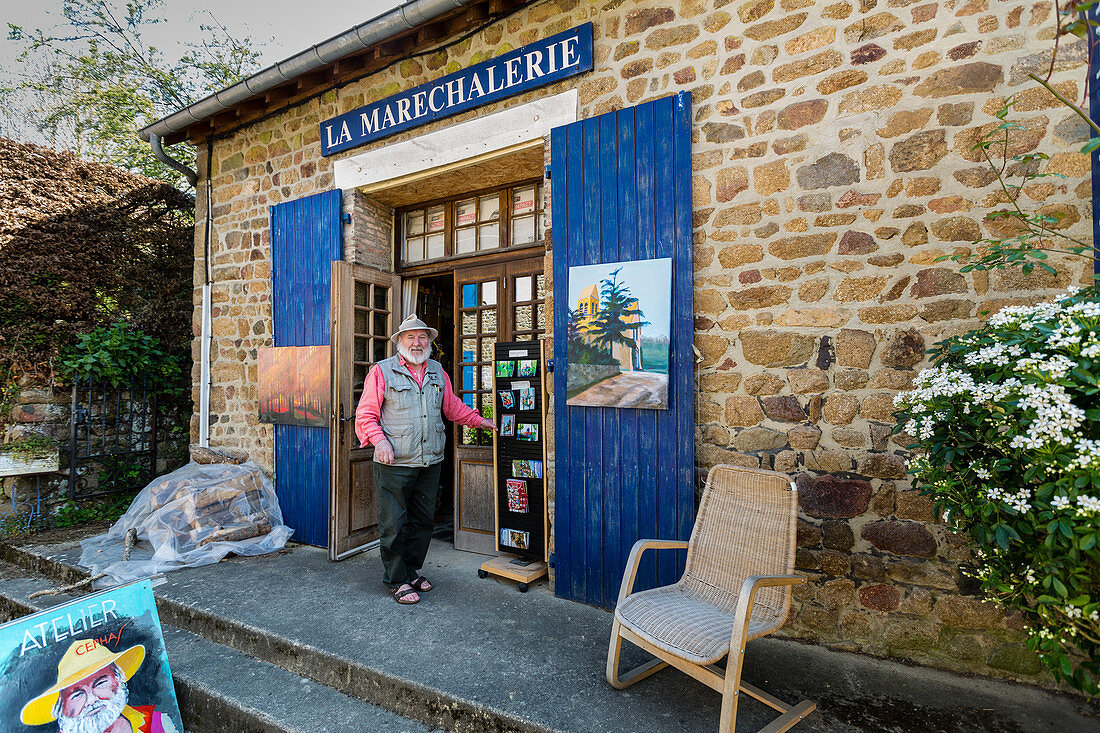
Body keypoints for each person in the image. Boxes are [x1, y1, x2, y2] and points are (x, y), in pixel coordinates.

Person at [355, 314, 496, 604]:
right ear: (400, 342)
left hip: (430, 460)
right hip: (395, 462)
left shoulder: (436, 371)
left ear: (429, 342)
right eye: (411, 337)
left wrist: (481, 422)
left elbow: (452, 407)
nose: (417, 343)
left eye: (422, 338)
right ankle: (395, 579)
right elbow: (366, 414)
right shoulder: (382, 371)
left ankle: (410, 571)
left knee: (421, 522)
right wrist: (379, 441)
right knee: (394, 522)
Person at [20, 638, 179, 733]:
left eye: (101, 683)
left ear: (118, 680)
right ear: (62, 708)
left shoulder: (159, 723)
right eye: (76, 695)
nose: (92, 700)